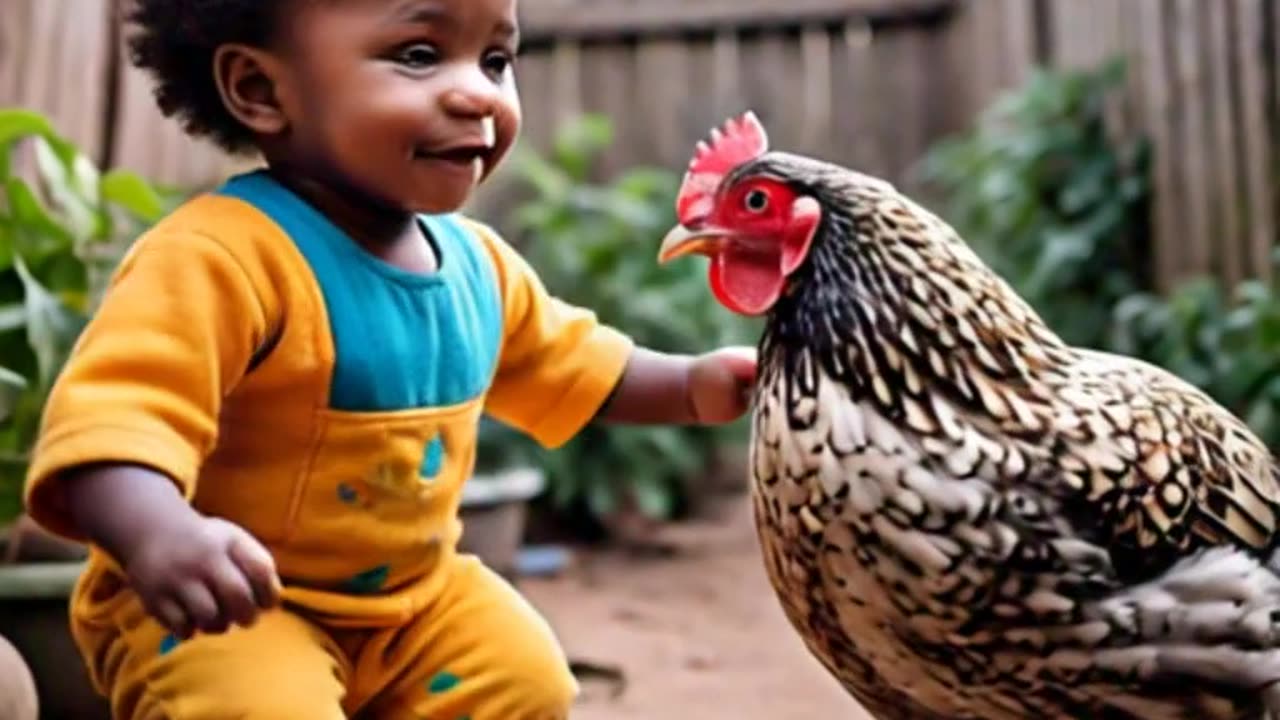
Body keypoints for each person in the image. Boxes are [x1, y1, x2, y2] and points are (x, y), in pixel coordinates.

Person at [20, 0, 756, 717]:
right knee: (261, 706)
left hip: (412, 605)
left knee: (523, 677)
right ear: (260, 89)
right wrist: (162, 536)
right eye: (419, 55)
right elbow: (111, 423)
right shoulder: (220, 260)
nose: (476, 90)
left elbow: (578, 365)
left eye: (495, 58)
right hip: (235, 607)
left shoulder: (478, 267)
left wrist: (693, 386)